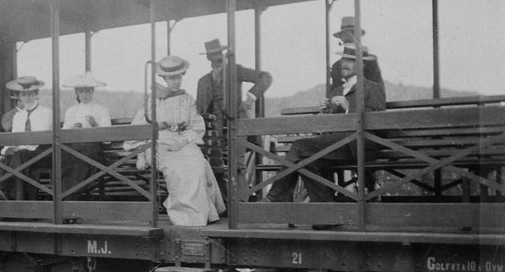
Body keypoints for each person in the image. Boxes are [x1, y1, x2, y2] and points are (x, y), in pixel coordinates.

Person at [265, 44, 386, 225]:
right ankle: (328, 216)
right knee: (306, 162)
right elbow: (330, 127)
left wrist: (348, 108)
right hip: (337, 145)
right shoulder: (336, 91)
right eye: (344, 59)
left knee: (299, 147)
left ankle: (276, 197)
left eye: (351, 60)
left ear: (362, 64)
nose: (345, 63)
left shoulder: (373, 88)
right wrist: (325, 113)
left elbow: (377, 121)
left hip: (358, 145)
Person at [126, 55, 225, 226]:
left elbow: (195, 126)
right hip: (159, 143)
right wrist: (141, 155)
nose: (176, 81)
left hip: (182, 141)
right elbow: (141, 128)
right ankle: (184, 217)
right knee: (177, 169)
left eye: (178, 77)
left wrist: (183, 140)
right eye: (171, 78)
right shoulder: (153, 99)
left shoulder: (187, 99)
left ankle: (200, 215)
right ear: (164, 78)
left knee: (198, 165)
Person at [195, 38, 272, 200]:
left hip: (237, 127)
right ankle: (224, 205)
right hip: (214, 133)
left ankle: (242, 205)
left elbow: (265, 77)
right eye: (213, 54)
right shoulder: (203, 81)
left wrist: (251, 97)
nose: (217, 57)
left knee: (237, 166)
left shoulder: (235, 71)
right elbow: (199, 111)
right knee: (214, 168)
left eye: (219, 53)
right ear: (208, 57)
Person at [0, 76, 53, 200]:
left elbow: (39, 137)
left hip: (41, 151)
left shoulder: (46, 112)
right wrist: (5, 151)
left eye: (30, 94)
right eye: (24, 94)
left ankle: (9, 194)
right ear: (19, 96)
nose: (27, 97)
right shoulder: (18, 115)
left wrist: (18, 148)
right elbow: (14, 137)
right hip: (22, 153)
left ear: (36, 94)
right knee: (3, 161)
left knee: (19, 156)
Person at [61, 72, 112, 200]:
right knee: (66, 161)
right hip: (72, 149)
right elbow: (63, 136)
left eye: (87, 91)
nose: (84, 94)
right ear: (77, 93)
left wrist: (95, 125)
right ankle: (67, 200)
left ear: (92, 91)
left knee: (79, 163)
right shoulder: (71, 111)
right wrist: (71, 130)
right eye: (81, 91)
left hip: (93, 150)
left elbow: (108, 139)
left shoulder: (101, 109)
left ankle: (71, 200)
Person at [330, 16, 383, 91]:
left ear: (357, 37)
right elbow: (334, 92)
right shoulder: (336, 66)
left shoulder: (369, 61)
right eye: (345, 34)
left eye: (352, 34)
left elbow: (377, 90)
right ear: (341, 38)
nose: (348, 37)